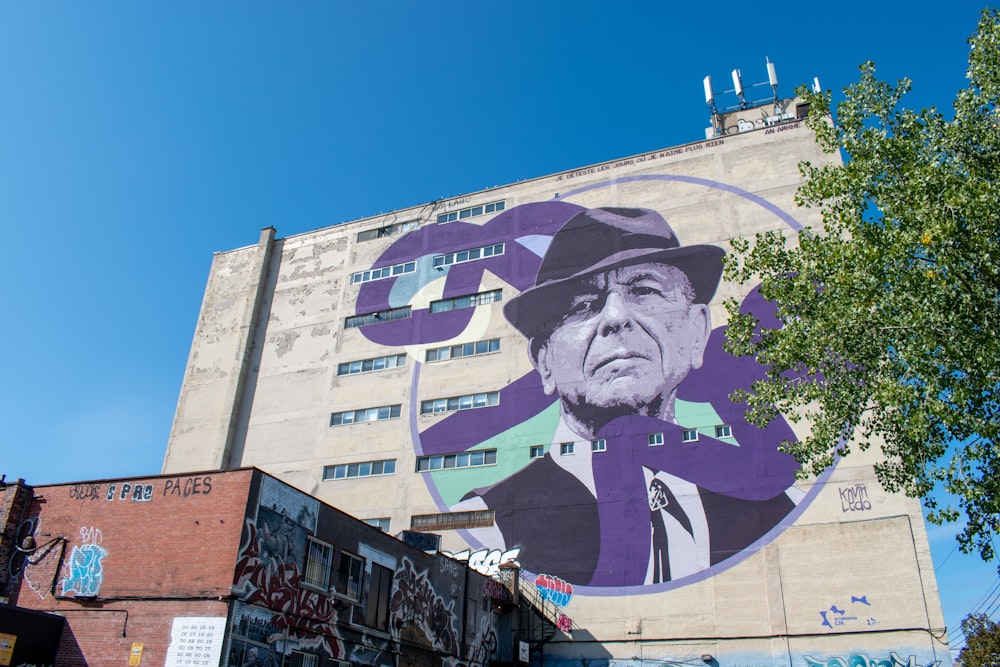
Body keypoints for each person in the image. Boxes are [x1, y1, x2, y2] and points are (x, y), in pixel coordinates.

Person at [457, 207, 801, 587]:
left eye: (644, 291)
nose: (616, 317)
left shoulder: (779, 506)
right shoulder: (491, 525)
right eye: (582, 305)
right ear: (545, 362)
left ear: (697, 333)